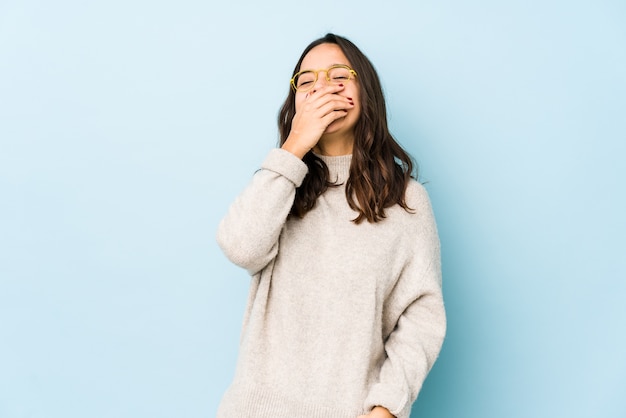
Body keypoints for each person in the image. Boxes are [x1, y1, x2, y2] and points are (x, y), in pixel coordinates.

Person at [215, 33, 446, 418]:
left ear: (365, 91)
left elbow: (422, 316)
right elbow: (240, 246)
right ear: (294, 104)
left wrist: (386, 408)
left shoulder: (406, 200)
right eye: (306, 82)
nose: (322, 87)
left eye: (339, 75)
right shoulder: (280, 185)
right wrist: (293, 148)